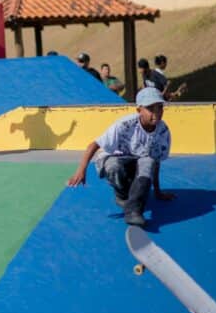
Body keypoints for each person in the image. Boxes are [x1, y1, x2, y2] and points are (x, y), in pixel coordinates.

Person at [67, 87, 175, 227]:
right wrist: (81, 170)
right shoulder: (125, 125)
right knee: (113, 166)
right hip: (117, 159)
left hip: (138, 164)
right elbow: (93, 145)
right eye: (150, 108)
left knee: (148, 162)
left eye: (160, 107)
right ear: (139, 110)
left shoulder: (162, 132)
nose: (156, 113)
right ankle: (122, 195)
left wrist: (158, 192)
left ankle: (134, 211)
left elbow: (156, 162)